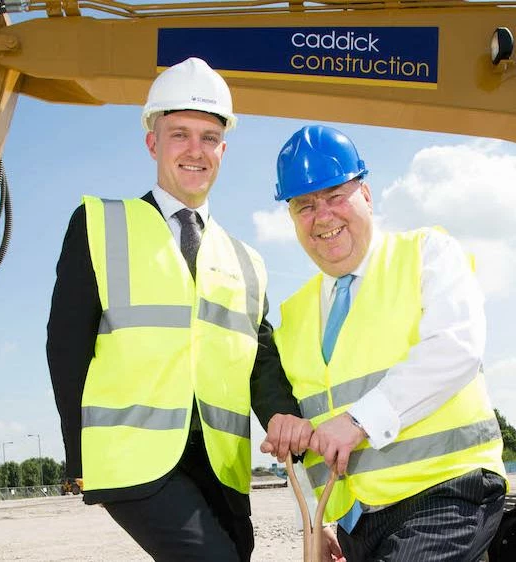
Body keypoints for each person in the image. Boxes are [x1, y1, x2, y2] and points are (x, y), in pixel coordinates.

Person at [46, 57, 310, 562]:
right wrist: (79, 456)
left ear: (224, 149)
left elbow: (260, 359)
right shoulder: (100, 225)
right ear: (152, 142)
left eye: (209, 137)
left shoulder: (246, 260)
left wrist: (282, 416)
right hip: (134, 460)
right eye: (180, 134)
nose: (196, 150)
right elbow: (66, 344)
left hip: (220, 462)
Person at [261, 125, 508, 562]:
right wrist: (317, 524)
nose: (323, 216)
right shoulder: (294, 315)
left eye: (336, 196)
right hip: (360, 521)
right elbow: (311, 425)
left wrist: (360, 420)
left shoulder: (427, 253)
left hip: (446, 492)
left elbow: (455, 347)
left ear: (367, 196)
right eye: (305, 205)